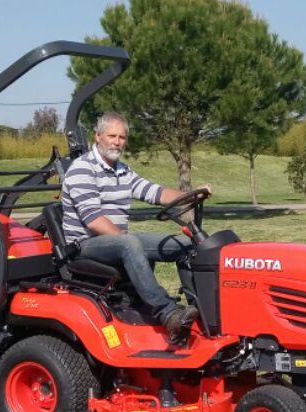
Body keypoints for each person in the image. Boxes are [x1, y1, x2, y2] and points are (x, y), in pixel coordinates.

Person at [60, 111, 209, 340]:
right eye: (112, 136)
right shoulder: (82, 169)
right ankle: (168, 314)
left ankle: (201, 312)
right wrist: (125, 240)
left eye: (122, 137)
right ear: (98, 136)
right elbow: (94, 220)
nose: (117, 142)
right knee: (130, 243)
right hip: (84, 245)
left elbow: (154, 192)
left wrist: (190, 195)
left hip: (116, 241)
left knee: (184, 243)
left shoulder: (123, 170)